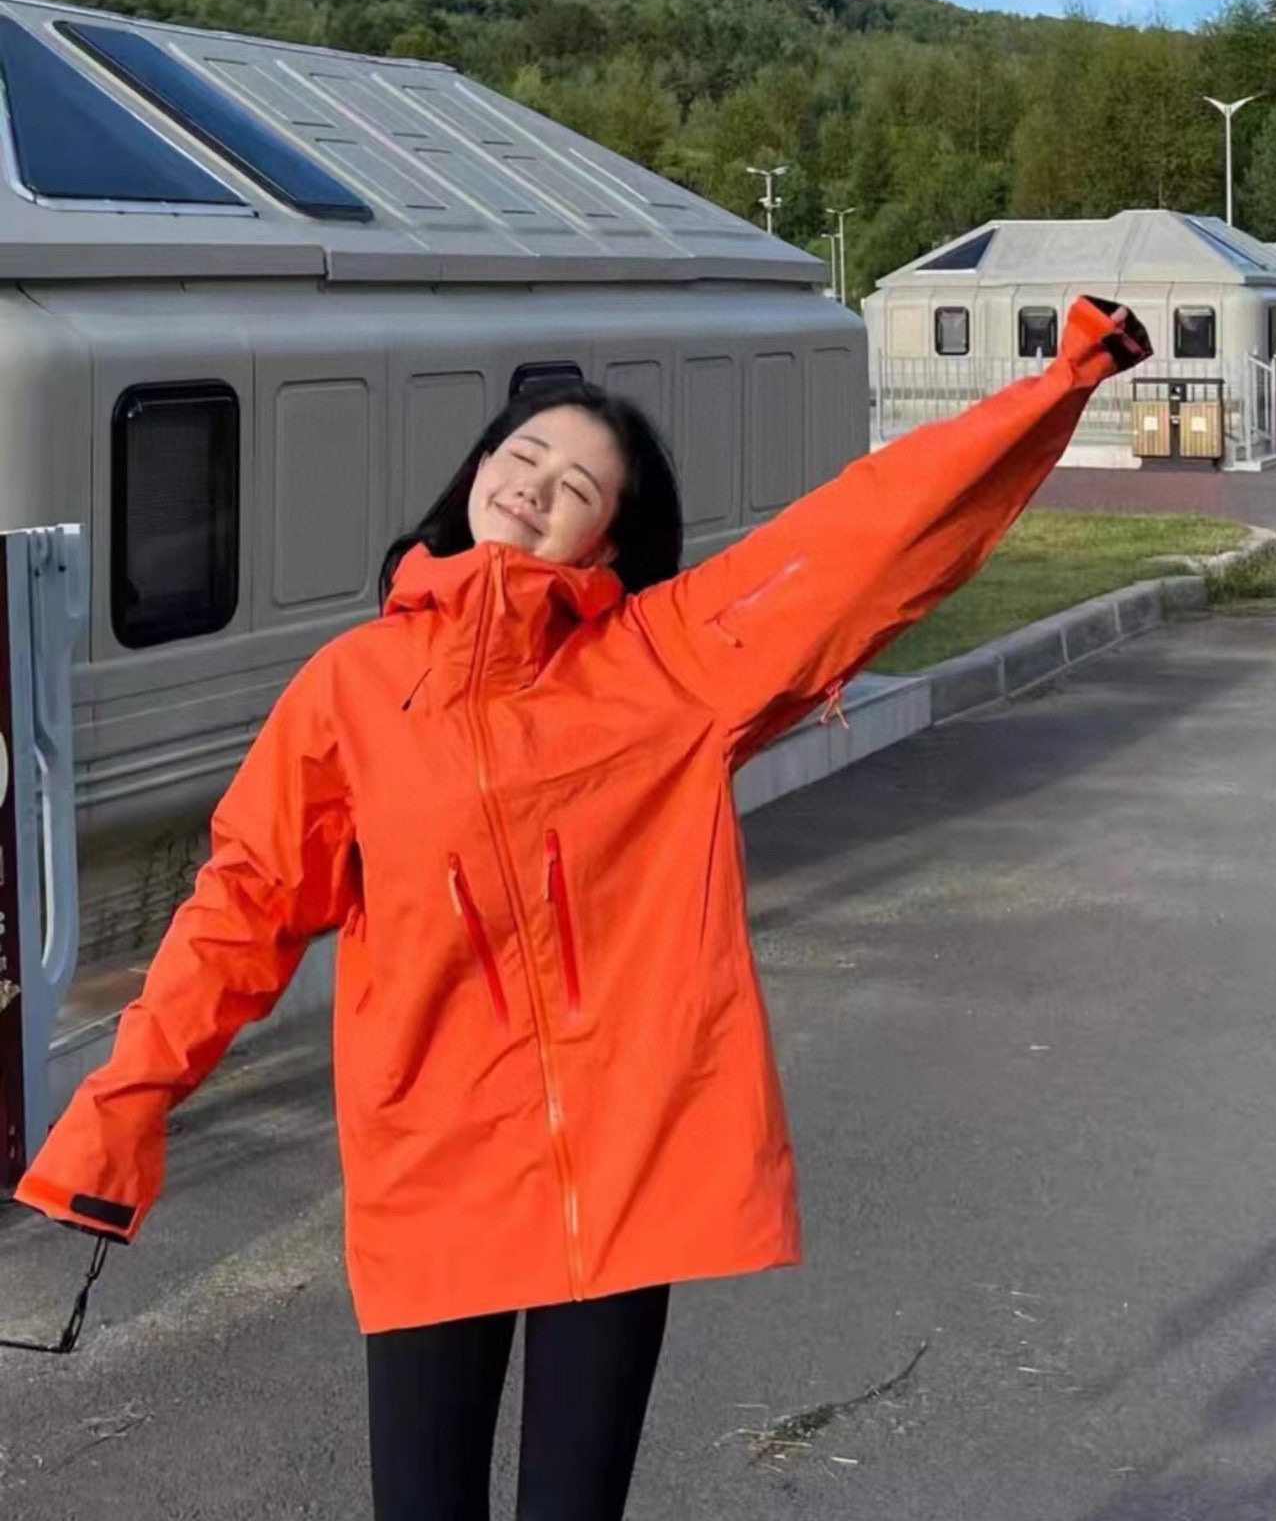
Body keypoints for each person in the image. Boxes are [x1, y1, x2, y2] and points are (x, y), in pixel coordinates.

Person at [12, 296, 1150, 1520]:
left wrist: (1056, 387)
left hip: (622, 1162)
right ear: (474, 471)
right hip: (433, 1166)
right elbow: (242, 909)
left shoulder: (664, 663)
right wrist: (121, 1110)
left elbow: (866, 533)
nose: (535, 488)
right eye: (523, 455)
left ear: (607, 540)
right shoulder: (351, 688)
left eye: (578, 486)